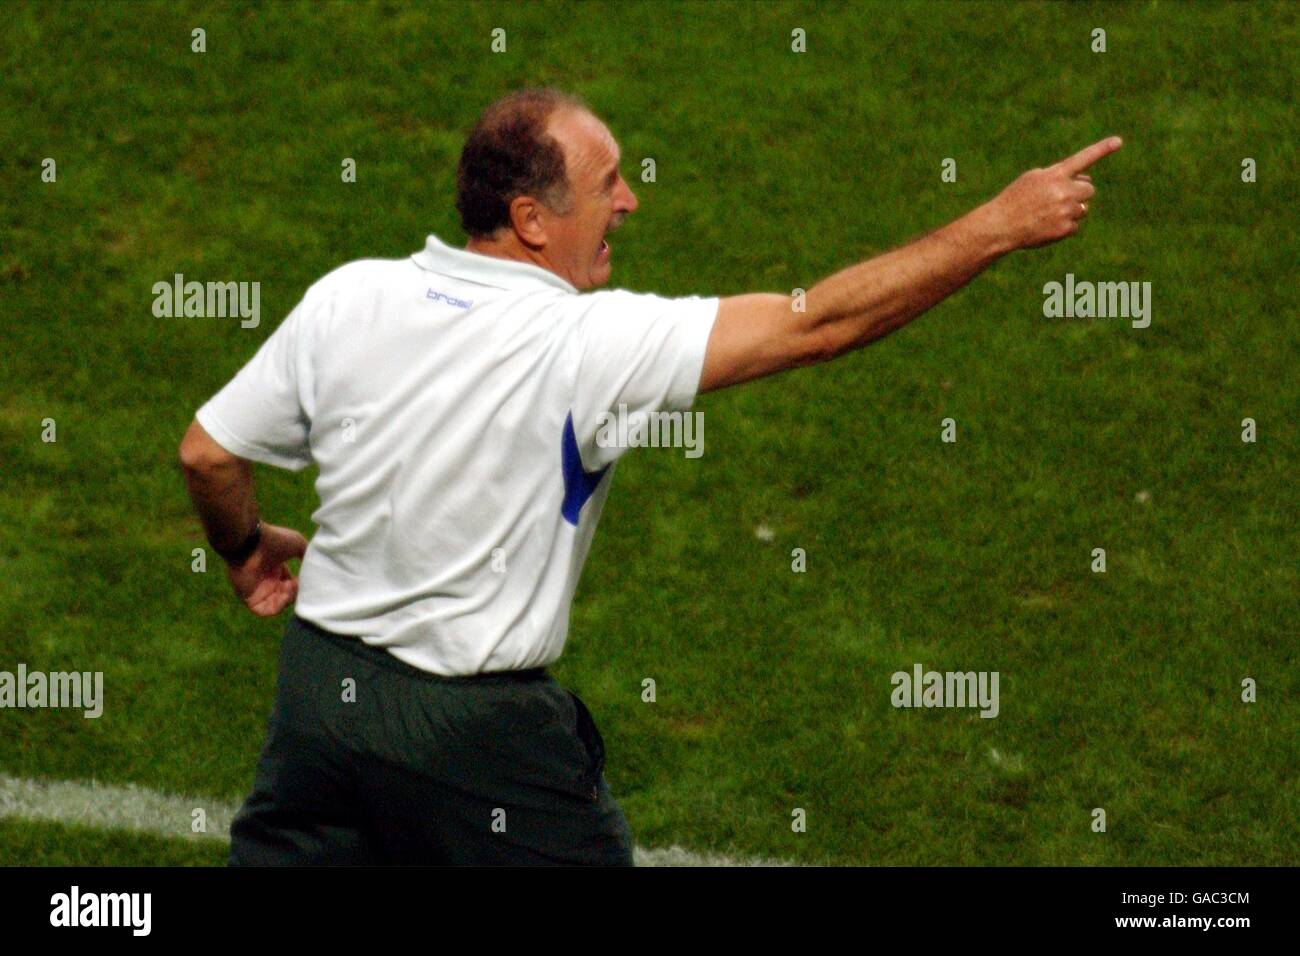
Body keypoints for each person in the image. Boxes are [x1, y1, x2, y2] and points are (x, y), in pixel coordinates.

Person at [179, 86, 1121, 864]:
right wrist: (998, 225)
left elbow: (209, 453)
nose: (629, 200)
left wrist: (246, 547)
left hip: (320, 703)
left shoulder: (349, 296)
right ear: (531, 221)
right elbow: (818, 324)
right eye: (607, 183)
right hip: (477, 739)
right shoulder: (592, 342)